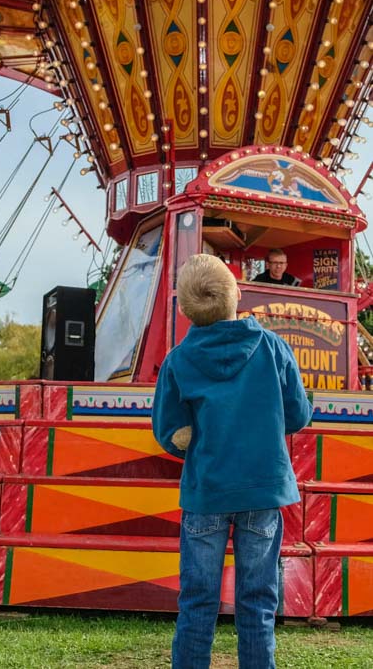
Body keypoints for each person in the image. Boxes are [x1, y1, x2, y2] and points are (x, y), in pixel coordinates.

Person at [152, 253, 312, 669]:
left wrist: (195, 439)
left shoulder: (178, 361)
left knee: (197, 603)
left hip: (207, 493)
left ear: (184, 309)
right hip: (262, 491)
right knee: (258, 602)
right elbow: (297, 415)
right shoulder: (274, 348)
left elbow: (169, 432)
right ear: (237, 294)